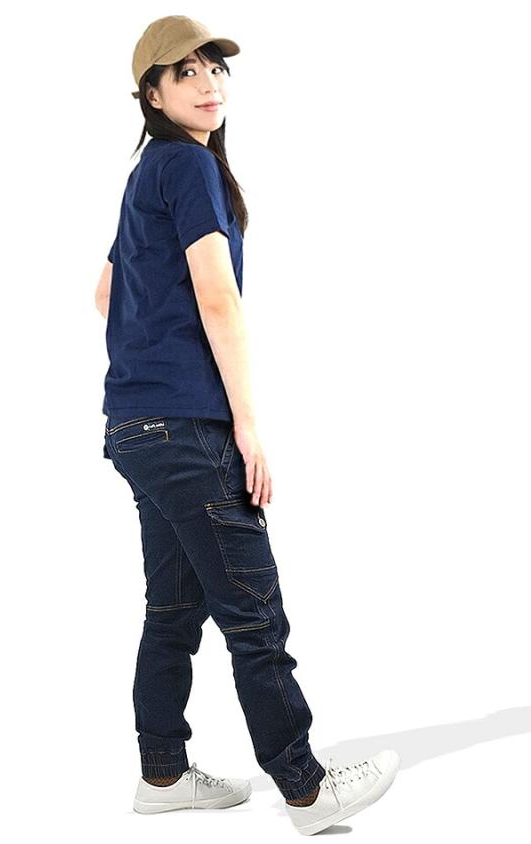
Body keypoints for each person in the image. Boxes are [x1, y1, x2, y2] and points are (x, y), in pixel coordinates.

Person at [95, 15, 400, 835]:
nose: (209, 83)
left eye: (215, 69)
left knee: (173, 610)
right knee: (254, 615)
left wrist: (150, 356)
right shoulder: (189, 166)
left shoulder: (148, 173)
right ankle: (305, 788)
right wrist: (247, 426)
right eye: (186, 73)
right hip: (187, 428)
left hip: (135, 425)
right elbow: (217, 297)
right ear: (152, 94)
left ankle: (163, 774)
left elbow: (105, 293)